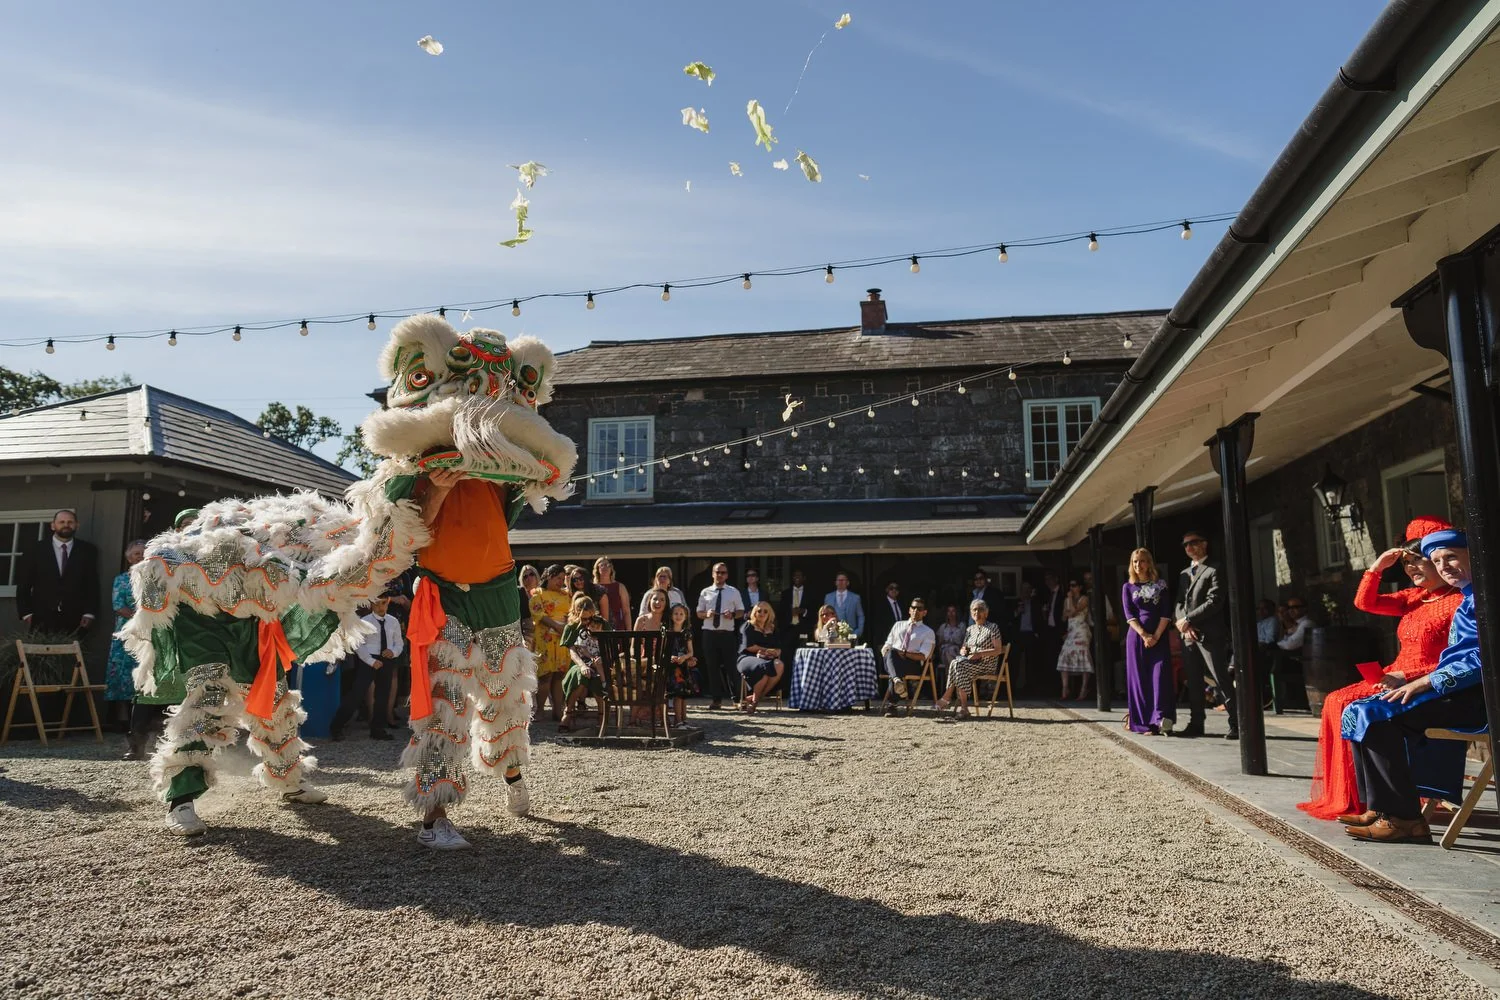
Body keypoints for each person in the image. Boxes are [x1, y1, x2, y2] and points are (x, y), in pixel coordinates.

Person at [1297, 517, 1461, 822]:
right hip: (1394, 674)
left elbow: (1460, 657)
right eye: (1407, 564)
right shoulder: (1414, 598)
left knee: (1352, 704)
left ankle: (1376, 801)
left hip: (1420, 680)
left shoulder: (1459, 602)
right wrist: (1377, 568)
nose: (1411, 569)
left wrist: (1409, 677)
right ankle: (1359, 798)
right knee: (1335, 700)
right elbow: (1365, 601)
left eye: (1420, 562)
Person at [1341, 529, 1486, 843]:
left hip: (1478, 698)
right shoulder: (1469, 595)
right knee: (1359, 710)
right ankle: (1380, 808)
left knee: (1379, 715)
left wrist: (1425, 681)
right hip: (1452, 688)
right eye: (1437, 559)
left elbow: (1482, 659)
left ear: (1473, 555)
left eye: (1450, 556)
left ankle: (1405, 819)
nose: (1444, 565)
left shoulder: (1484, 597)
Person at [1174, 531, 1237, 739]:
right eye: (1185, 545)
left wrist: (1189, 620)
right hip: (1189, 635)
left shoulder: (1215, 568)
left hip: (1210, 634)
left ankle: (1236, 723)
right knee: (1193, 680)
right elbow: (1179, 602)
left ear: (1204, 544)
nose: (1189, 547)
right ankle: (1196, 723)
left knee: (1220, 678)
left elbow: (1215, 601)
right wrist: (1183, 623)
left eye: (1193, 543)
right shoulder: (1184, 573)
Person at [330, 595, 403, 741]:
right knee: (357, 694)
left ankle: (377, 729)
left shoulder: (393, 621)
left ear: (388, 602)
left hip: (386, 659)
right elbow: (358, 645)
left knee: (383, 695)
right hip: (368, 660)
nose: (381, 607)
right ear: (371, 604)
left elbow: (398, 643)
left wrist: (393, 652)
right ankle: (336, 727)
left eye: (384, 603)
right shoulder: (364, 622)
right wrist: (370, 661)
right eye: (377, 604)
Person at [15, 508, 99, 636]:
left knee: (73, 654)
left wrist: (89, 613)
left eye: (70, 522)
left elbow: (92, 584)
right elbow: (23, 583)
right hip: (41, 615)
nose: (66, 525)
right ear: (53, 525)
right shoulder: (35, 549)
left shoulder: (88, 550)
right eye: (62, 522)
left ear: (77, 525)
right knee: (40, 654)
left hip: (76, 616)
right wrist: (26, 613)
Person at [1122, 549, 1173, 735]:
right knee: (1140, 680)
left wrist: (1156, 636)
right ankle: (1143, 723)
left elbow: (1166, 613)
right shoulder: (1128, 587)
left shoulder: (1161, 585)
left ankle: (1160, 720)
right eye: (1135, 561)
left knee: (1158, 677)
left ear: (1149, 563)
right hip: (1137, 639)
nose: (1138, 565)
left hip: (1158, 637)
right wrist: (1144, 635)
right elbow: (1129, 615)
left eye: (1142, 561)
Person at [936, 600, 1003, 720]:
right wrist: (963, 651)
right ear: (971, 613)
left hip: (986, 664)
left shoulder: (993, 627)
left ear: (986, 613)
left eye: (980, 609)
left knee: (957, 664)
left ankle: (948, 697)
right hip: (970, 663)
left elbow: (998, 650)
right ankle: (963, 707)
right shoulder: (970, 629)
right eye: (974, 610)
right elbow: (964, 647)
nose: (977, 612)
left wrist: (979, 653)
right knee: (957, 663)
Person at [105, 539, 147, 732]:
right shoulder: (121, 579)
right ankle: (122, 720)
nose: (140, 556)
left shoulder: (155, 577)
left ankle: (143, 719)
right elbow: (118, 606)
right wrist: (139, 618)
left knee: (145, 671)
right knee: (123, 673)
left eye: (143, 552)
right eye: (136, 553)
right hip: (127, 631)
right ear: (129, 557)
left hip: (149, 632)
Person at [697, 562, 745, 709]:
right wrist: (707, 614)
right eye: (717, 572)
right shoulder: (705, 592)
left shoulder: (733, 592)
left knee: (731, 667)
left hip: (727, 634)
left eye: (723, 572)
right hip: (709, 634)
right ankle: (716, 700)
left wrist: (732, 614)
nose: (720, 575)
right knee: (712, 667)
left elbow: (741, 611)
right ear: (713, 574)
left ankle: (737, 699)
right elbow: (699, 613)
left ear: (727, 575)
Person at [529, 564, 571, 723]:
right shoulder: (538, 593)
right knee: (545, 675)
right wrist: (557, 626)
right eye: (557, 578)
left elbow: (572, 612)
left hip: (562, 639)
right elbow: (537, 612)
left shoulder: (566, 595)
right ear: (549, 576)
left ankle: (557, 710)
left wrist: (566, 627)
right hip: (546, 638)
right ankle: (540, 710)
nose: (561, 581)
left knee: (559, 675)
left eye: (563, 578)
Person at [879, 598, 934, 717]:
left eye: (919, 609)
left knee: (895, 667)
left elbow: (923, 656)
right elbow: (888, 643)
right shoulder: (898, 625)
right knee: (892, 654)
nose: (915, 611)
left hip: (911, 663)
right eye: (913, 608)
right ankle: (897, 684)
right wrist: (885, 650)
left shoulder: (927, 632)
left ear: (924, 612)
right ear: (909, 610)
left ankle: (894, 696)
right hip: (892, 659)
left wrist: (904, 654)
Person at [558, 595, 604, 732]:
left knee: (598, 678)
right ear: (576, 613)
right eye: (583, 619)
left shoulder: (600, 623)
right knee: (582, 675)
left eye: (589, 618)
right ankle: (568, 711)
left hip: (599, 662)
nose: (587, 622)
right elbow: (572, 651)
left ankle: (602, 714)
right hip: (578, 663)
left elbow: (608, 642)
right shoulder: (571, 628)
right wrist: (583, 665)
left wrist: (600, 661)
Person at [736, 602, 785, 713]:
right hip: (747, 657)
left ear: (769, 614)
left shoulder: (773, 629)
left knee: (779, 665)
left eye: (765, 611)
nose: (762, 613)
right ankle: (754, 703)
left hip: (767, 658)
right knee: (764, 667)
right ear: (754, 613)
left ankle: (755, 698)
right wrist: (767, 650)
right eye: (759, 611)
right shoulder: (748, 625)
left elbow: (779, 648)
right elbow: (749, 646)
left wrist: (775, 652)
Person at [1056, 579, 1093, 700]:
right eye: (1070, 585)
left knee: (1083, 657)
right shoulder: (1066, 600)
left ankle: (1084, 688)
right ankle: (1065, 687)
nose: (1072, 588)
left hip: (1082, 630)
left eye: (1074, 585)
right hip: (1071, 631)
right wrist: (1068, 609)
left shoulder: (1084, 599)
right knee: (1064, 655)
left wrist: (1070, 603)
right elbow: (1063, 617)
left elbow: (1073, 612)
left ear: (1080, 587)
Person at [665, 603, 698, 725]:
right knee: (677, 694)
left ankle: (684, 720)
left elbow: (691, 651)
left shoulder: (687, 633)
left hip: (683, 667)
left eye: (681, 614)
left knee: (683, 695)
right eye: (676, 613)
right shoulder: (667, 633)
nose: (678, 616)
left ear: (685, 617)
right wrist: (671, 657)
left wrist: (684, 657)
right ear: (671, 615)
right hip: (672, 667)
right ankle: (677, 721)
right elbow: (663, 650)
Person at [1036, 571, 1067, 680]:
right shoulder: (1048, 594)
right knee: (1051, 656)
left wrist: (1064, 630)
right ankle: (1052, 681)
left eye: (1050, 578)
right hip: (1050, 629)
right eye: (1046, 579)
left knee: (1061, 656)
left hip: (1060, 629)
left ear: (1056, 579)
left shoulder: (1062, 593)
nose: (1048, 582)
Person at [593, 557, 631, 631]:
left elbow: (626, 611)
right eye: (602, 565)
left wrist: (629, 631)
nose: (605, 567)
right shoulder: (593, 588)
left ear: (611, 569)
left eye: (608, 565)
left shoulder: (620, 587)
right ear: (597, 569)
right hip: (597, 627)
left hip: (617, 627)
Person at [824, 572, 865, 640]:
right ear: (835, 583)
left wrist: (858, 631)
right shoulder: (828, 597)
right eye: (839, 580)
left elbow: (860, 616)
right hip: (832, 635)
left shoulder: (855, 598)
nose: (841, 582)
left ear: (848, 583)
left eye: (843, 580)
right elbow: (824, 615)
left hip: (851, 635)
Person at [868, 581, 906, 648]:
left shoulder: (902, 603)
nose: (894, 590)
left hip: (901, 639)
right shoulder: (880, 604)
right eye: (891, 588)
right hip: (886, 640)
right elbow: (877, 624)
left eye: (896, 588)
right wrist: (880, 642)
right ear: (887, 590)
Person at [517, 564, 540, 649]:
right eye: (525, 576)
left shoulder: (544, 594)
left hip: (543, 632)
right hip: (527, 634)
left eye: (531, 574)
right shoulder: (520, 595)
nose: (529, 578)